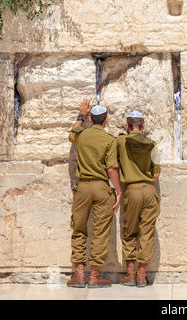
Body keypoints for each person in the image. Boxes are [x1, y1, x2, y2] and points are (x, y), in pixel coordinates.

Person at [67, 99, 123, 289]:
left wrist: (80, 115)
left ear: (91, 118)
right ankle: (95, 276)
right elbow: (112, 169)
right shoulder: (110, 140)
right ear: (106, 121)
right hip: (101, 187)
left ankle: (80, 273)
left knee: (79, 228)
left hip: (82, 188)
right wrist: (118, 191)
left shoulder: (81, 135)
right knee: (100, 232)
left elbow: (72, 133)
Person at [116, 110, 161, 288]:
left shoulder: (120, 141)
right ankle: (142, 275)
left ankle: (130, 274)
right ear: (143, 126)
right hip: (149, 190)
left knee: (129, 231)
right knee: (147, 233)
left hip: (132, 190)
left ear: (127, 126)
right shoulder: (152, 144)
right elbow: (156, 174)